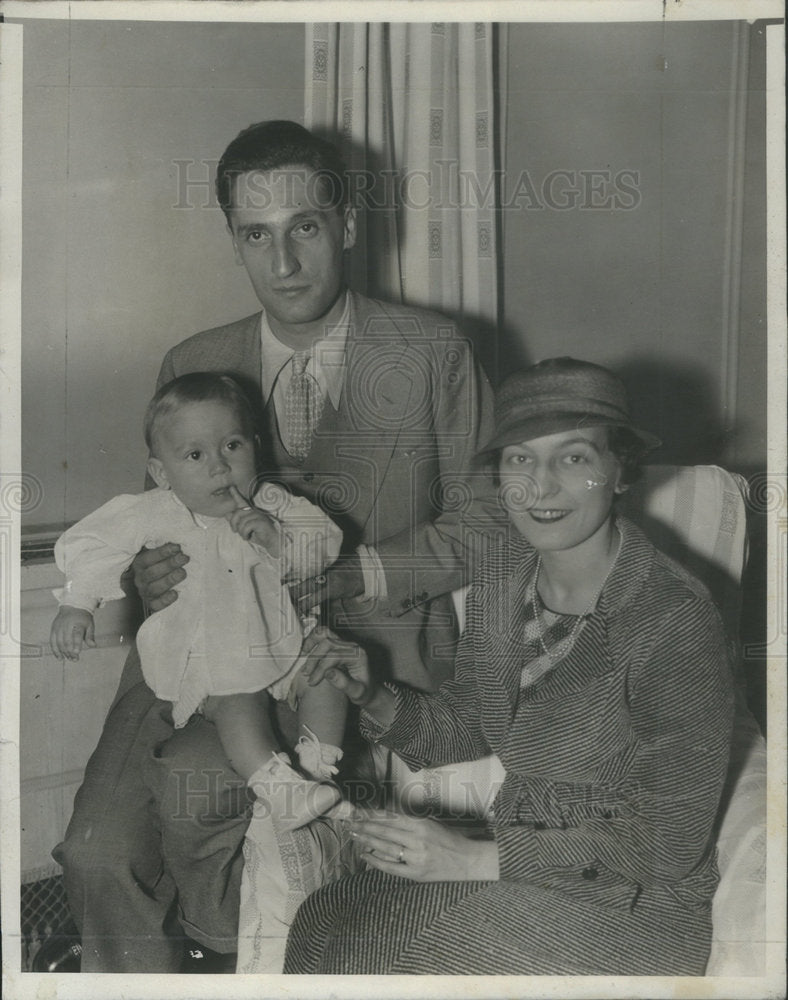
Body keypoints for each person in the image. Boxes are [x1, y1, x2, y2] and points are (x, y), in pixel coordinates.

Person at [53, 120, 500, 972]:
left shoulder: (432, 351)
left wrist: (355, 567)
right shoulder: (195, 360)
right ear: (234, 242)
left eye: (304, 227)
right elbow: (156, 526)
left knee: (210, 803)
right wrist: (147, 577)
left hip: (353, 659)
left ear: (348, 227)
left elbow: (490, 523)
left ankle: (252, 969)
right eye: (257, 235)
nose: (283, 262)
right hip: (199, 654)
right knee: (94, 855)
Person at [285, 357, 735, 976]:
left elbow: (668, 841)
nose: (541, 486)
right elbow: (469, 725)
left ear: (620, 471)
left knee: (384, 960)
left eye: (574, 457)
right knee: (323, 922)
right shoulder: (503, 573)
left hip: (636, 902)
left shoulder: (673, 618)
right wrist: (373, 695)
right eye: (521, 458)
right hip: (523, 864)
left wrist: (472, 860)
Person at [51, 372, 349, 828]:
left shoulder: (272, 503)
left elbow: (324, 543)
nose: (219, 467)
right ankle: (275, 788)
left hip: (279, 635)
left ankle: (316, 770)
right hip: (209, 651)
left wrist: (278, 540)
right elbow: (95, 542)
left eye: (232, 446)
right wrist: (78, 601)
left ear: (255, 445)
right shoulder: (155, 510)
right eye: (195, 455)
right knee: (237, 700)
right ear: (160, 472)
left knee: (326, 675)